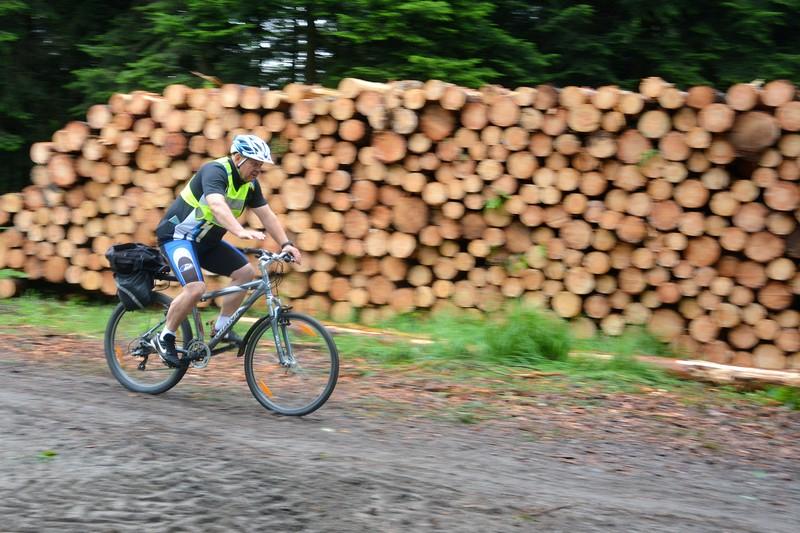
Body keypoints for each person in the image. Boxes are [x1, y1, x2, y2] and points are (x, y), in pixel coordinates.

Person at [153, 134, 302, 367]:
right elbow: (216, 205)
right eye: (254, 163)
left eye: (261, 165)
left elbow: (267, 216)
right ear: (238, 158)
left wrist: (286, 244)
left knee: (245, 273)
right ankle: (164, 337)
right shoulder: (215, 171)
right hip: (178, 238)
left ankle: (221, 326)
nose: (258, 170)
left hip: (206, 243)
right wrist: (239, 230)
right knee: (195, 288)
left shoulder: (250, 185)